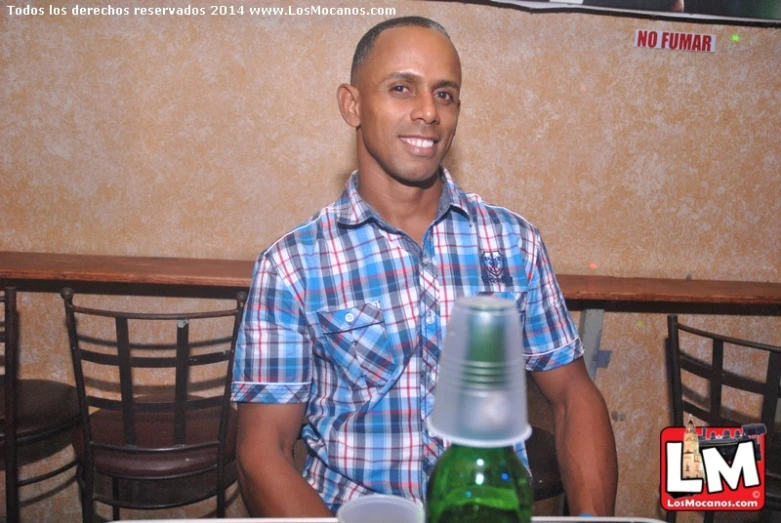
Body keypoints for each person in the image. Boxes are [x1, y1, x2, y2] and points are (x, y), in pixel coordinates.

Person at [231, 16, 618, 518]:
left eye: (445, 94)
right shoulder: (293, 265)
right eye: (400, 88)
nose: (427, 112)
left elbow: (572, 396)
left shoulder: (512, 242)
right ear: (352, 104)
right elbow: (262, 451)